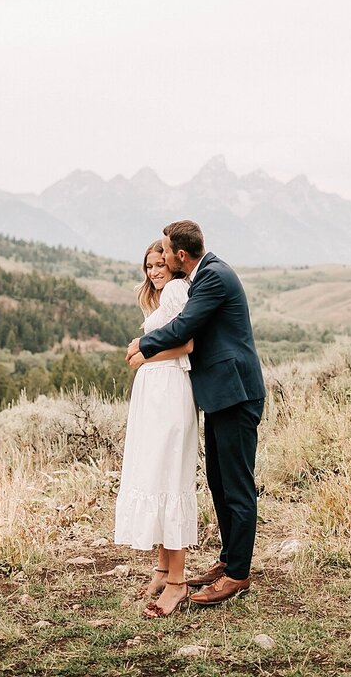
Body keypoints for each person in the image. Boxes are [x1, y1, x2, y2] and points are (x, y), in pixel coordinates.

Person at [127, 220, 265, 607]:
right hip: (220, 394)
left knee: (237, 485)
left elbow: (185, 327)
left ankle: (238, 574)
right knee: (219, 482)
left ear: (180, 255)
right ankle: (228, 560)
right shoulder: (205, 273)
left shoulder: (213, 277)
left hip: (237, 394)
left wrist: (142, 344)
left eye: (166, 253)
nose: (163, 260)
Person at [113, 240, 198, 618]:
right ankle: (164, 569)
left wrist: (143, 351)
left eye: (160, 263)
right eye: (149, 266)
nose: (154, 271)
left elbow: (188, 343)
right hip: (155, 392)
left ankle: (178, 581)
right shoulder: (162, 298)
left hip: (169, 391)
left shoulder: (178, 290)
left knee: (167, 477)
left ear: (174, 264)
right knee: (157, 474)